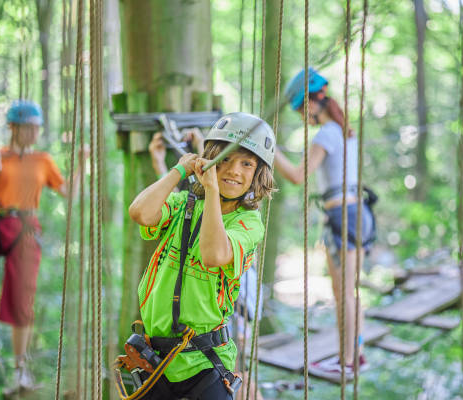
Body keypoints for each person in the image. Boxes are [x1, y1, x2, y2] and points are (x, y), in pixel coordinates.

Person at [127, 112, 276, 399]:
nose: (234, 170)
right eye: (226, 160)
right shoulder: (184, 204)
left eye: (247, 163)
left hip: (205, 362)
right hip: (156, 358)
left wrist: (211, 187)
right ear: (209, 161)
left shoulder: (248, 222)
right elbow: (140, 213)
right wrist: (178, 171)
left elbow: (213, 254)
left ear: (258, 174)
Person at [0, 100, 86, 394]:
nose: (35, 133)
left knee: (22, 303)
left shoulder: (42, 161)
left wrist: (81, 164)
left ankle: (20, 373)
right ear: (13, 128)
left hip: (25, 230)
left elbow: (70, 194)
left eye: (37, 128)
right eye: (29, 127)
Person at [274, 68, 376, 375]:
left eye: (301, 109)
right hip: (354, 214)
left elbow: (296, 176)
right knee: (346, 291)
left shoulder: (328, 133)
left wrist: (268, 146)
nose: (302, 116)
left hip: (343, 215)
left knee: (345, 292)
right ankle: (353, 354)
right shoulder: (344, 131)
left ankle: (349, 360)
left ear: (312, 102)